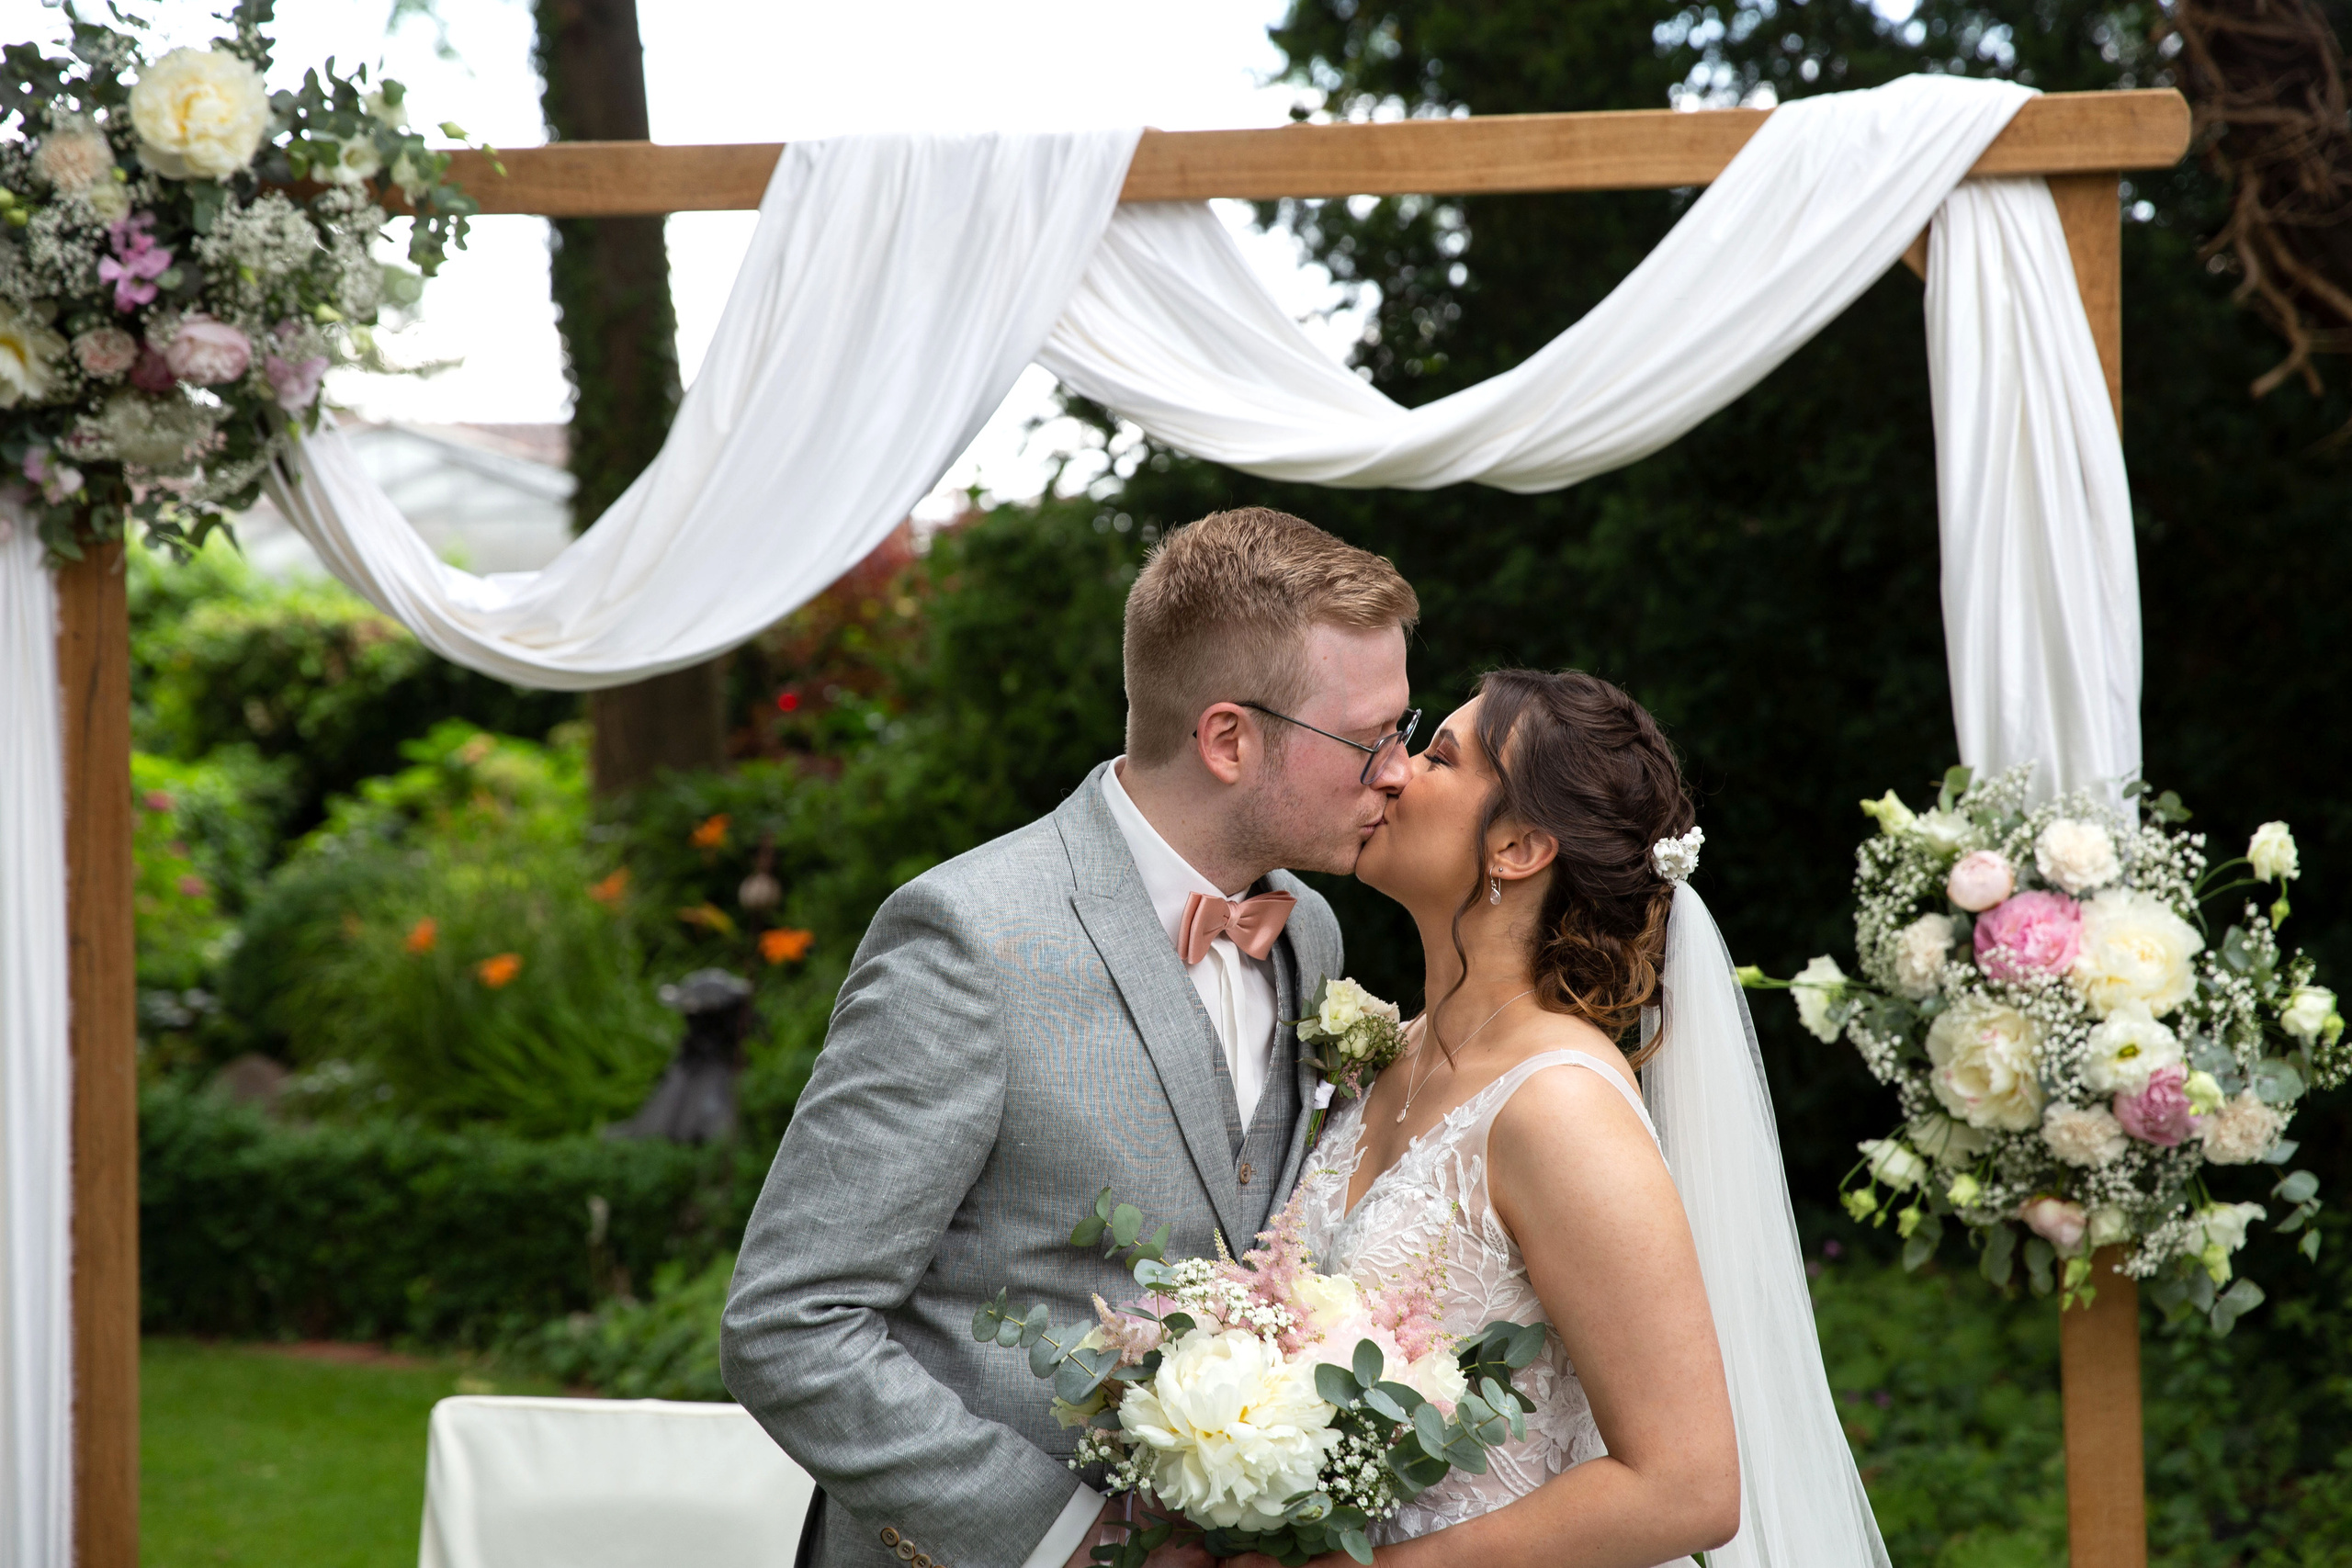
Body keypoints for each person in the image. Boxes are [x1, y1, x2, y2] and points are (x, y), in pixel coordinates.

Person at [720, 507, 1420, 1568]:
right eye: (1369, 740)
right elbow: (792, 1322)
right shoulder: (969, 938)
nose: (1399, 773)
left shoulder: (1308, 931)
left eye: (1403, 731)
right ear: (1228, 738)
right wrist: (1077, 1539)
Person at [1232, 669, 1888, 1567]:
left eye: (1437, 758)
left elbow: (1687, 1489)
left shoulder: (1559, 1107)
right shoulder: (1391, 1055)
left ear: (1517, 848)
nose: (1390, 770)